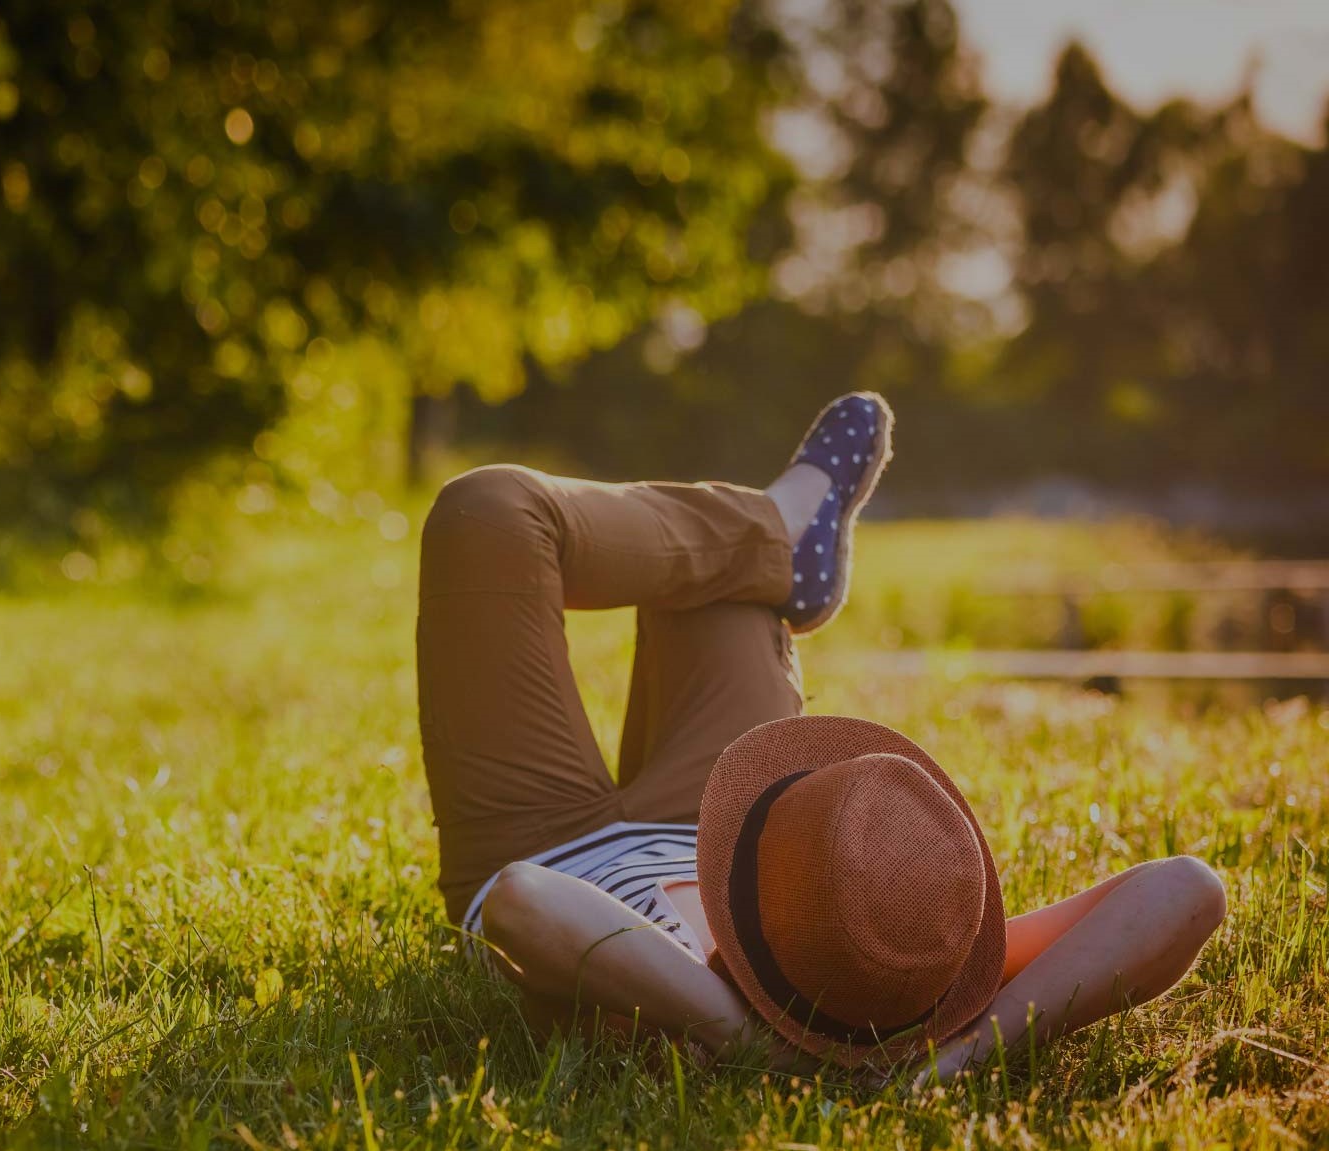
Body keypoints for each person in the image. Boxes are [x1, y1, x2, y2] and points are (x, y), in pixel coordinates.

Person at [415, 392, 1227, 1079]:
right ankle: (773, 536)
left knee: (485, 511)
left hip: (546, 836)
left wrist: (753, 1039)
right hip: (731, 835)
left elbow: (526, 897)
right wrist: (970, 1051)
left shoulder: (685, 1007)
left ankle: (776, 521)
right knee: (720, 583)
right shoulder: (908, 982)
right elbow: (1188, 888)